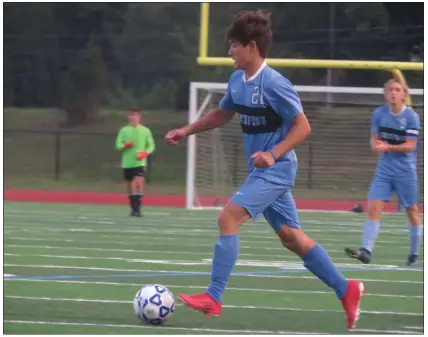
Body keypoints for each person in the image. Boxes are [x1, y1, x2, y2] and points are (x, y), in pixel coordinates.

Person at [165, 10, 364, 330]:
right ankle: (347, 289)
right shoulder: (236, 80)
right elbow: (223, 114)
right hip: (262, 170)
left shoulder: (274, 83)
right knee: (292, 238)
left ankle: (213, 297)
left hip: (277, 168)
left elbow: (302, 126)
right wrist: (185, 131)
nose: (229, 51)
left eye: (233, 45)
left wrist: (272, 154)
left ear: (251, 47)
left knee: (227, 217)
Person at [345, 78, 422, 266]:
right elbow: (374, 139)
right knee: (374, 207)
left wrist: (387, 146)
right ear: (385, 94)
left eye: (397, 90)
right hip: (384, 169)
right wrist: (377, 146)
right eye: (390, 90)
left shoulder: (411, 117)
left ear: (404, 94)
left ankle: (414, 252)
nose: (393, 93)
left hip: (405, 171)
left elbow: (410, 146)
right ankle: (366, 251)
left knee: (412, 210)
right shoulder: (379, 113)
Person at [115, 109, 155, 217]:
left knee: (138, 181)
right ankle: (133, 208)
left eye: (136, 116)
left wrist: (144, 153)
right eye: (132, 116)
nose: (134, 118)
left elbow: (151, 146)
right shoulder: (124, 130)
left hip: (140, 162)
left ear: (139, 117)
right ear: (129, 117)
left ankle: (138, 209)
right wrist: (125, 145)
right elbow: (118, 145)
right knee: (130, 185)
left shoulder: (145, 131)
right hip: (128, 163)